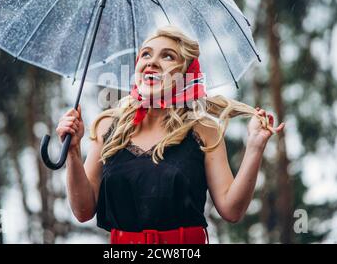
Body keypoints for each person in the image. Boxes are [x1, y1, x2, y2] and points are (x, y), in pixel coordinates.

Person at [56, 25, 285, 244]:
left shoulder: (204, 130)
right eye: (145, 54)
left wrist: (255, 146)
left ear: (186, 73)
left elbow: (232, 210)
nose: (151, 62)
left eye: (167, 57)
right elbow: (83, 211)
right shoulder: (107, 126)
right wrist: (73, 153)